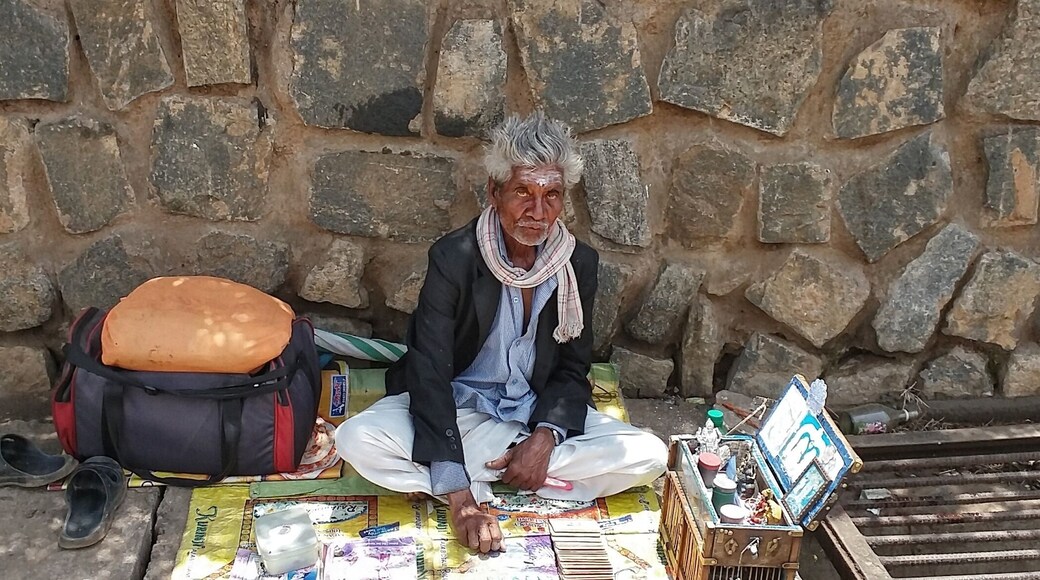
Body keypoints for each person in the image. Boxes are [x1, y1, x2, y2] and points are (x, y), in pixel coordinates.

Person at [335, 111, 667, 553]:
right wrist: (461, 503)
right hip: (459, 409)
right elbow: (429, 371)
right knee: (355, 440)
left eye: (552, 195)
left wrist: (544, 438)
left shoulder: (577, 263)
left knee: (649, 454)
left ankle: (485, 468)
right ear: (495, 192)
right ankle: (480, 478)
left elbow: (573, 368)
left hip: (530, 412)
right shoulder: (454, 258)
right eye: (522, 193)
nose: (537, 211)